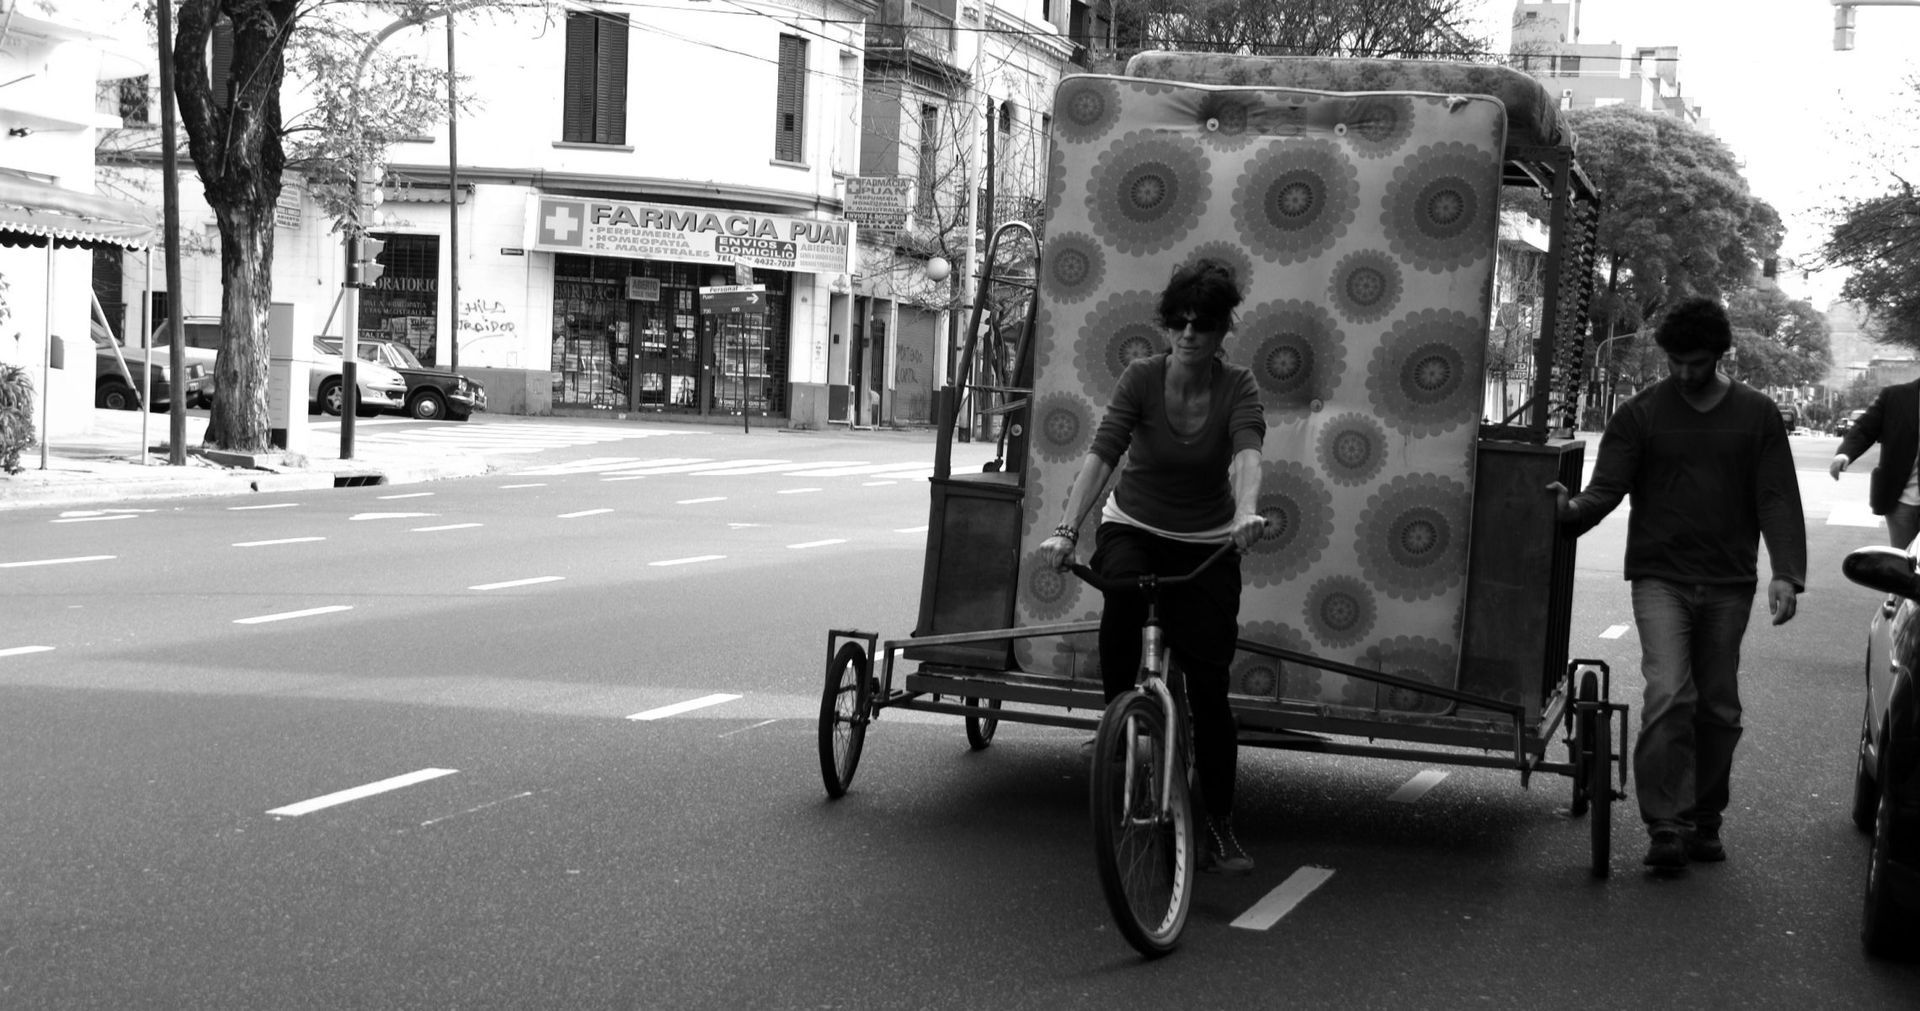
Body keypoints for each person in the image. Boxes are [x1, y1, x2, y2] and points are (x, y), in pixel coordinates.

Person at [1547, 297, 1806, 872]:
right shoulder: (1640, 413)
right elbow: (1606, 488)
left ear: (1719, 355)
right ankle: (1665, 823)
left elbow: (1776, 496)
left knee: (1718, 706)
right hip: (1659, 576)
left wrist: (1787, 572)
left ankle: (1704, 818)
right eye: (1675, 362)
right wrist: (1571, 512)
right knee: (1669, 692)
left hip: (1728, 581)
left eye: (1697, 363)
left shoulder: (1757, 414)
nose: (1685, 373)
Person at [1037, 258, 1268, 875]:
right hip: (1134, 523)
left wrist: (1247, 512)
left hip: (1207, 539)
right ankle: (1121, 720)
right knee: (1122, 599)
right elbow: (1103, 452)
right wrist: (1067, 529)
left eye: (1202, 324)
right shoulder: (1141, 377)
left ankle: (1219, 823)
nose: (1189, 333)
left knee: (1211, 691)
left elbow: (1248, 452)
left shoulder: (1238, 386)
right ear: (1167, 326)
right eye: (1179, 322)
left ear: (1221, 330)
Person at [1829, 378, 1920, 548]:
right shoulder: (1895, 396)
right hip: (1903, 500)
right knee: (1903, 560)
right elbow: (1864, 429)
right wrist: (1844, 454)